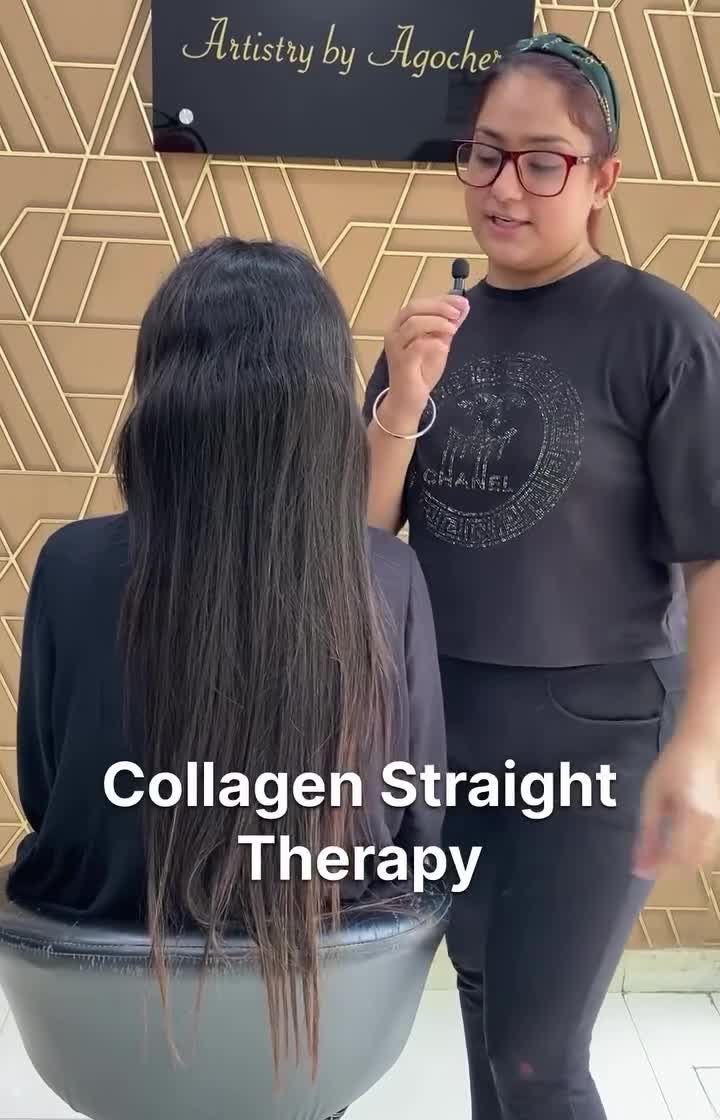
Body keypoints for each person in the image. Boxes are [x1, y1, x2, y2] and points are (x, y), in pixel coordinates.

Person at [363, 32, 720, 1120]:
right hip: (444, 724)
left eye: (543, 160)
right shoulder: (431, 333)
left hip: (601, 733)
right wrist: (397, 408)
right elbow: (365, 544)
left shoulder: (663, 333)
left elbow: (711, 552)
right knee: (479, 993)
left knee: (537, 1053)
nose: (504, 186)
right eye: (483, 154)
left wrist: (703, 745)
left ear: (602, 178)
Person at [6, 238, 447, 1098]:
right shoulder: (388, 576)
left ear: (159, 401)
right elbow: (417, 822)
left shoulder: (70, 566)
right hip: (325, 1022)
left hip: (110, 1030)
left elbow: (46, 792)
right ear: (324, 413)